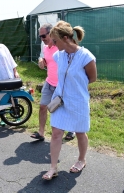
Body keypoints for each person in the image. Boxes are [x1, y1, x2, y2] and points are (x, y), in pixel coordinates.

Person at [42, 20, 97, 180]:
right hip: (60, 101)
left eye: (55, 40)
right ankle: (53, 168)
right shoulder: (58, 55)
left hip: (78, 101)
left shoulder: (86, 56)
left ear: (66, 38)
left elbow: (92, 78)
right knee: (56, 133)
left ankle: (81, 159)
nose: (52, 43)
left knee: (80, 133)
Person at [30, 23, 75, 141]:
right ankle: (41, 133)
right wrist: (41, 59)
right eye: (40, 37)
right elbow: (44, 56)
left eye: (43, 36)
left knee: (65, 108)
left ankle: (71, 130)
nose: (42, 39)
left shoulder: (60, 46)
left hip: (62, 85)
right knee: (43, 106)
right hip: (49, 82)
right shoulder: (44, 47)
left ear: (51, 34)